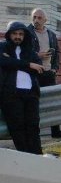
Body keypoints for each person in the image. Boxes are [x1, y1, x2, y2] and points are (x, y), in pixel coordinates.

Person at [0, 21, 44, 154]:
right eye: (14, 33)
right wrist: (29, 65)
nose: (18, 37)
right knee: (17, 128)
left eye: (20, 34)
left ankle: (37, 157)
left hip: (31, 94)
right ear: (9, 35)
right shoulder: (2, 47)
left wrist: (14, 63)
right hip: (11, 94)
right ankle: (25, 158)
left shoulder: (29, 51)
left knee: (33, 126)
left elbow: (39, 68)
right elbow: (3, 61)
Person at [27, 8, 61, 138]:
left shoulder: (51, 34)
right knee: (33, 104)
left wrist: (55, 69)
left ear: (45, 20)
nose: (36, 20)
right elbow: (23, 53)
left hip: (48, 72)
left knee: (53, 102)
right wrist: (38, 55)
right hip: (33, 72)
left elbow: (57, 53)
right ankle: (33, 132)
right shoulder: (26, 33)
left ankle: (56, 131)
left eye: (39, 18)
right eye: (34, 17)